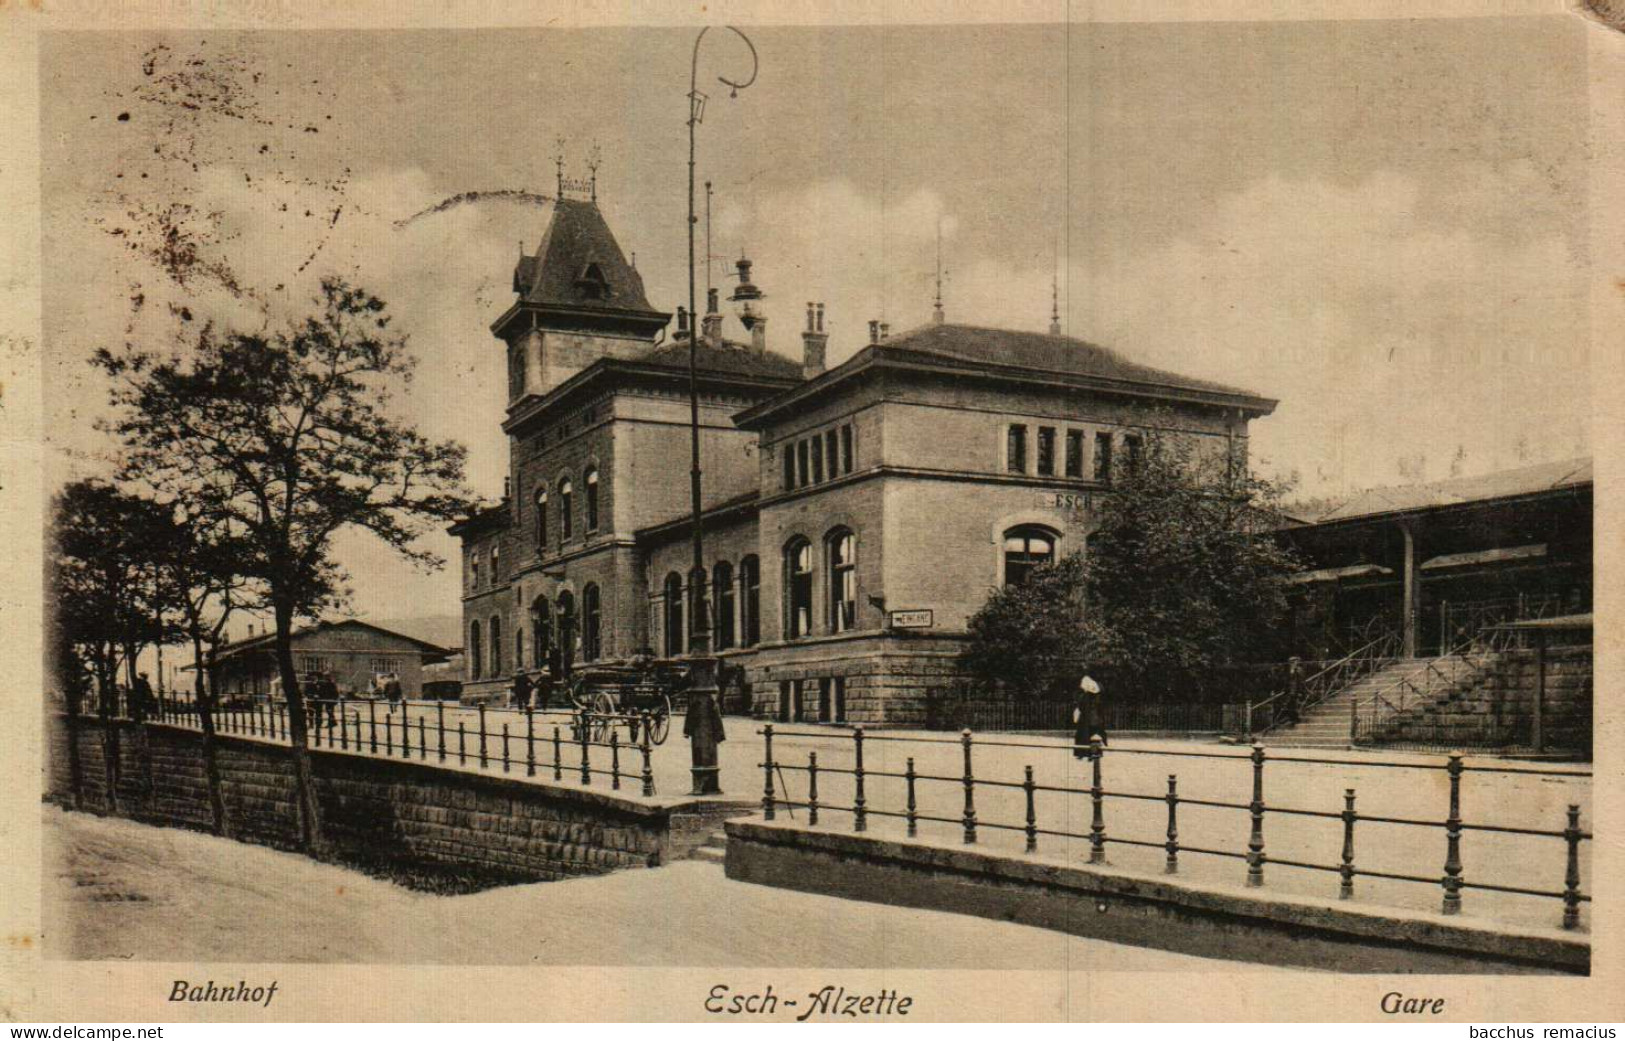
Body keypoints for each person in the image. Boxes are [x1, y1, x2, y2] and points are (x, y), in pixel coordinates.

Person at [1073, 674, 1106, 757]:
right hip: (1095, 719)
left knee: (1084, 736)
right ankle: (1095, 752)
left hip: (1087, 719)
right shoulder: (1097, 696)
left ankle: (1083, 753)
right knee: (1094, 736)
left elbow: (1081, 707)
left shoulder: (1085, 696)